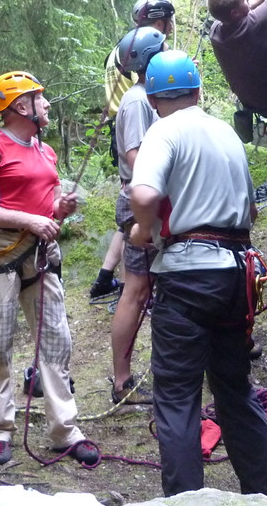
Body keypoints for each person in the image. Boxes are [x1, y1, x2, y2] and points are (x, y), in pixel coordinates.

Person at [129, 51, 267, 501]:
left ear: (154, 99)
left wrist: (143, 229)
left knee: (177, 399)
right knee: (235, 390)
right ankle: (266, 497)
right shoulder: (227, 134)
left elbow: (144, 191)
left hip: (187, 277)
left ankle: (186, 501)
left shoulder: (162, 131)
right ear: (197, 91)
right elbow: (251, 209)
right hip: (236, 277)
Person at [0, 71, 98, 466]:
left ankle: (65, 431)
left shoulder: (45, 150)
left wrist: (59, 211)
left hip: (40, 252)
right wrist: (30, 221)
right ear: (22, 107)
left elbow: (45, 207)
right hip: (1, 252)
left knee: (57, 341)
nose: (48, 104)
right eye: (41, 98)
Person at [90, 0, 177, 300]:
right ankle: (133, 291)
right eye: (166, 23)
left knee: (133, 234)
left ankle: (108, 278)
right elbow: (136, 155)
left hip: (128, 128)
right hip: (137, 134)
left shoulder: (121, 50)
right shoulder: (139, 89)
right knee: (138, 239)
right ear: (158, 21)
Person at [108, 26, 167, 405]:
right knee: (137, 289)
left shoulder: (151, 96)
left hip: (152, 198)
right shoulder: (136, 101)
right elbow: (135, 156)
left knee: (151, 286)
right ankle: (122, 380)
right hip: (139, 200)